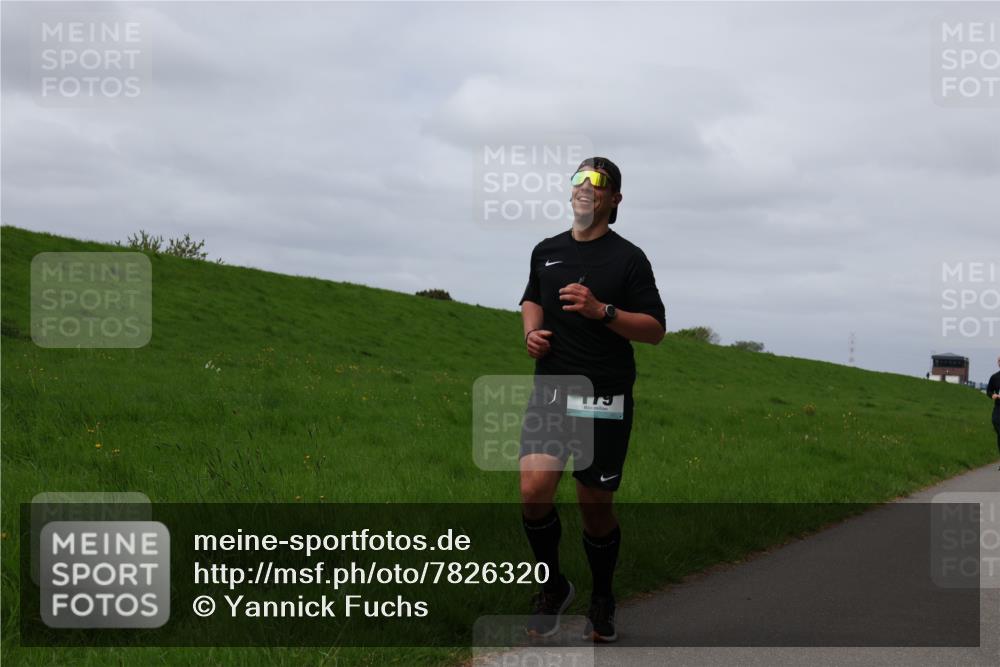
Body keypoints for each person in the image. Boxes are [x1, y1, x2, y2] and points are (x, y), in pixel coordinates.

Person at [518, 157, 666, 642]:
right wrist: (532, 332)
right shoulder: (547, 250)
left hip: (603, 393)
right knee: (533, 490)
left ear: (614, 199)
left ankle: (602, 595)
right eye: (579, 178)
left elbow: (654, 329)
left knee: (594, 504)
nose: (585, 186)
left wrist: (603, 311)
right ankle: (553, 586)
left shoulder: (628, 259)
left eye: (597, 181)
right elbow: (532, 297)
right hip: (552, 388)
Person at [988, 356, 1000, 469]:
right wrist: (993, 395)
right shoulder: (995, 377)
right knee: (995, 422)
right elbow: (989, 390)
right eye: (999, 361)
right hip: (998, 407)